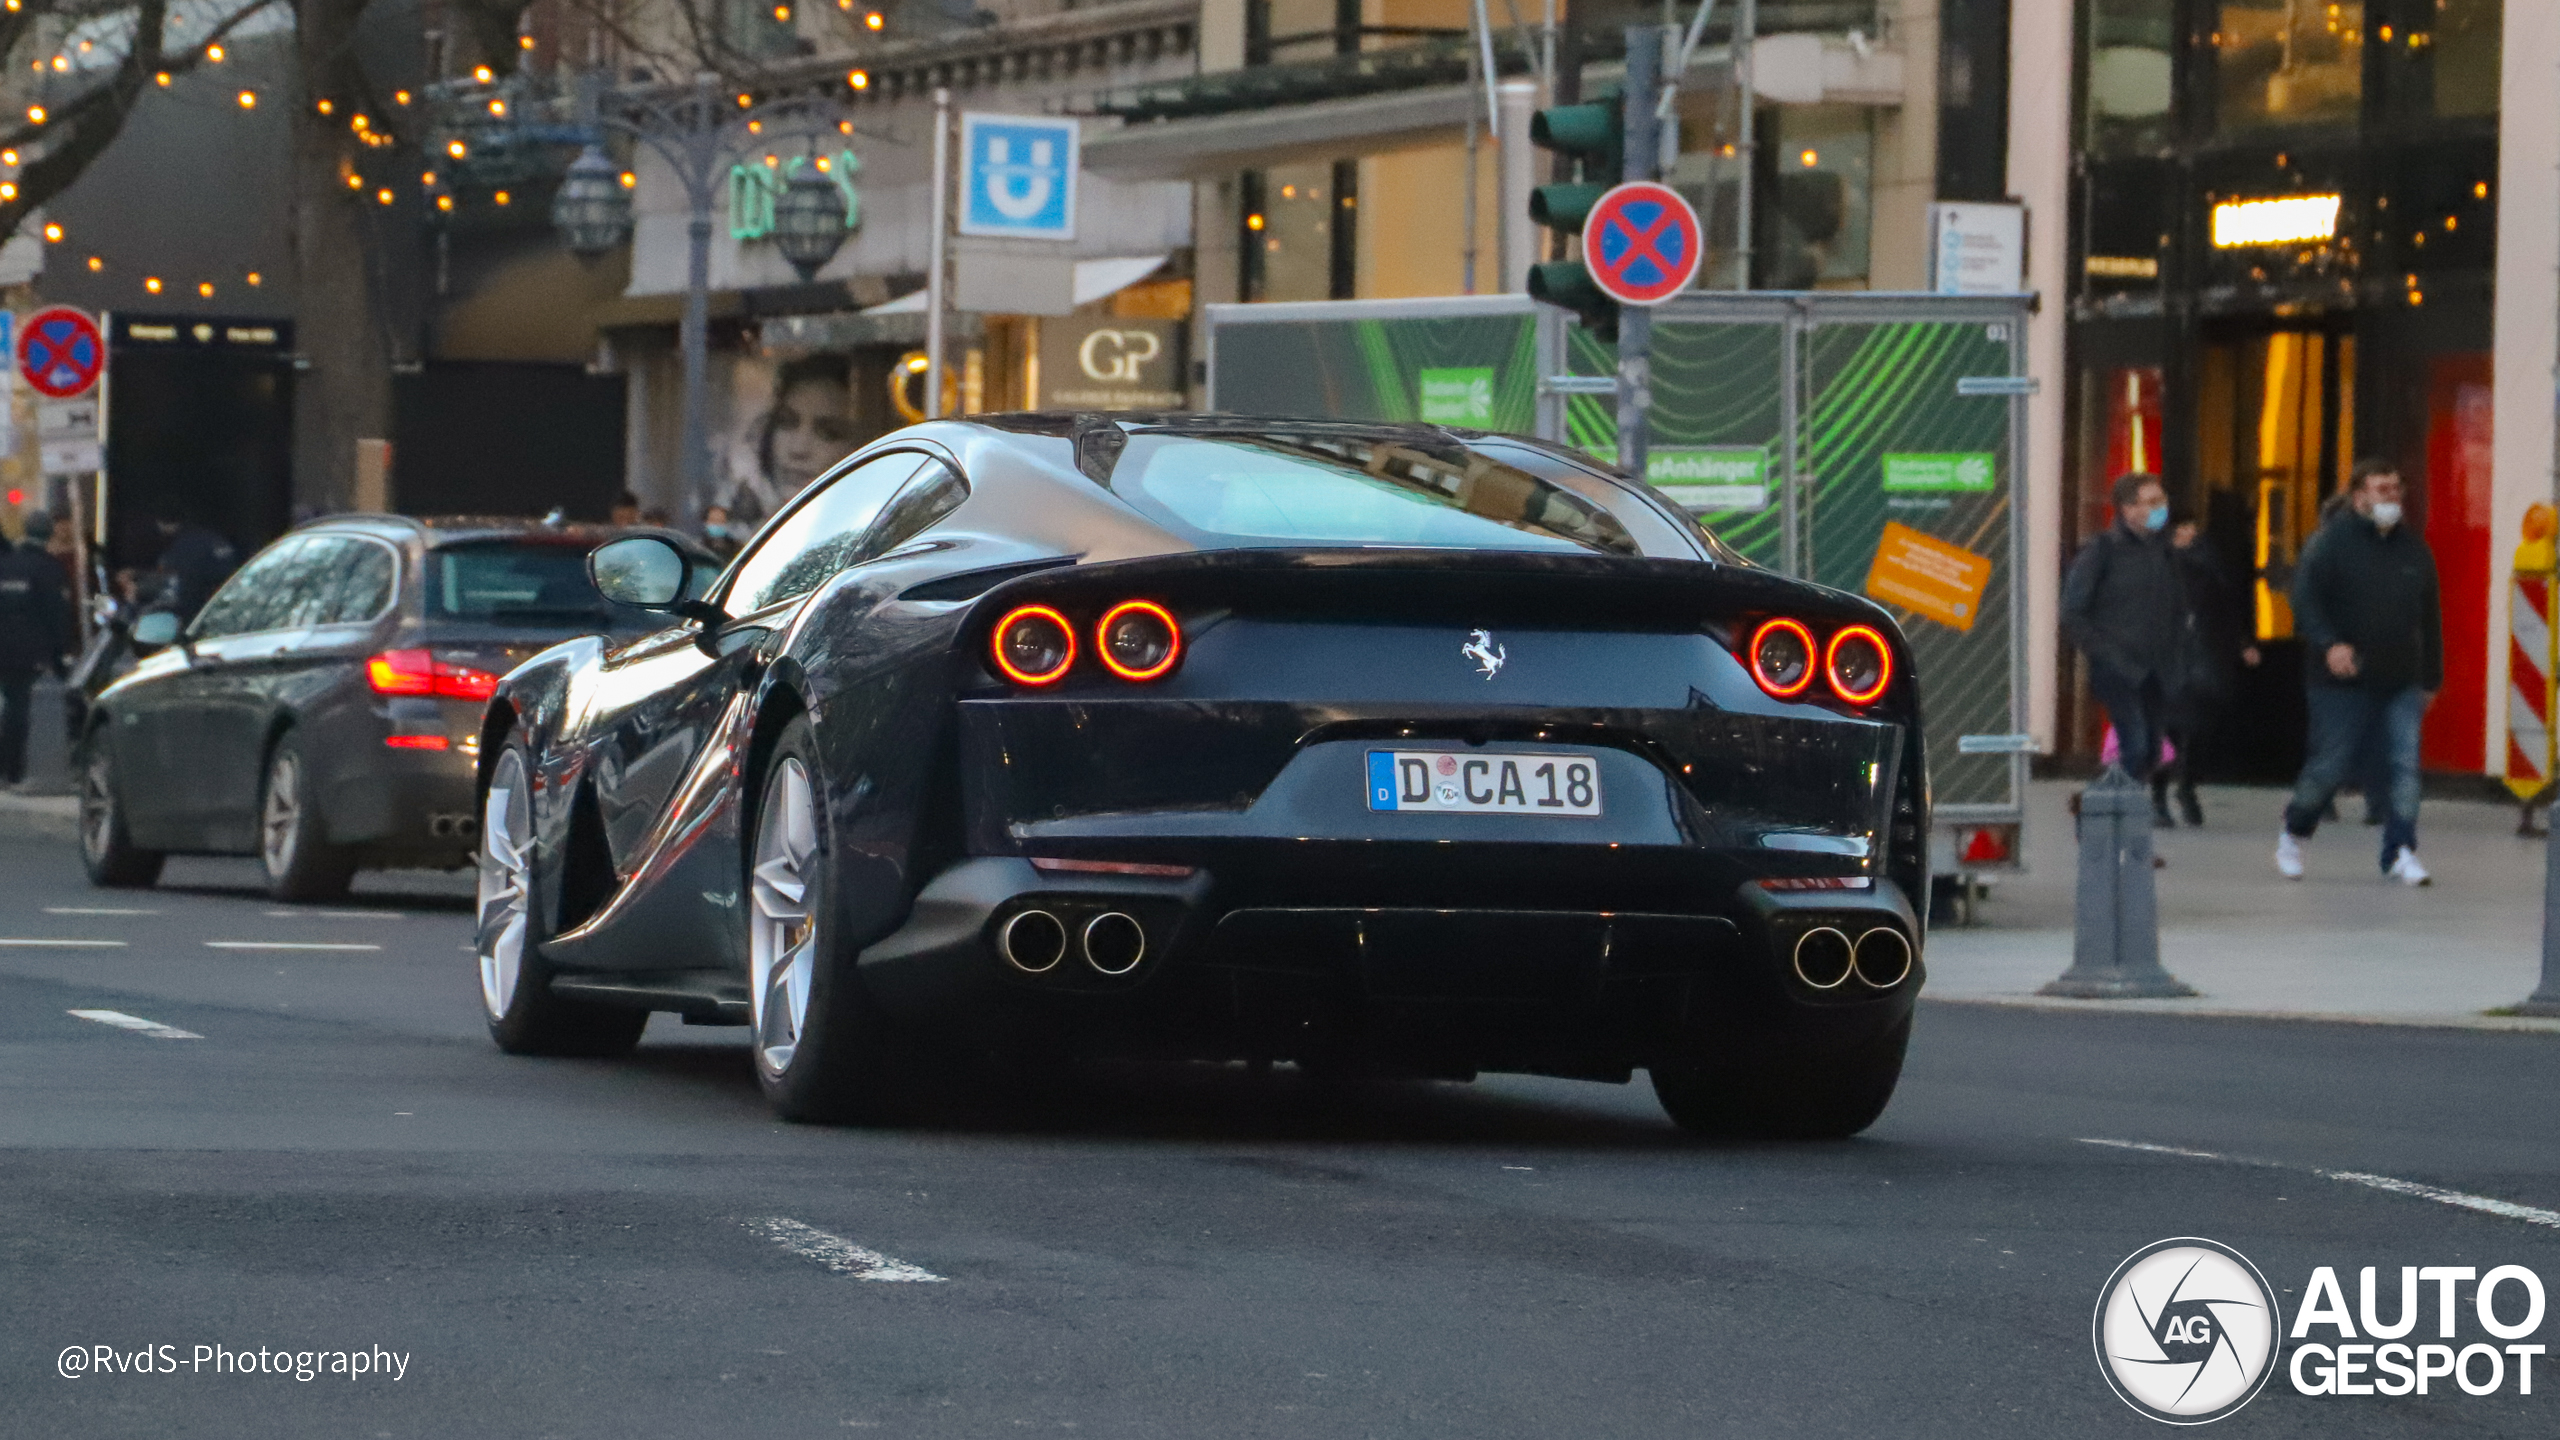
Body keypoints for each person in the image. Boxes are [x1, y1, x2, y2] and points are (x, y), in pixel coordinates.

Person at [2276, 458, 2444, 886]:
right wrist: (2329, 643)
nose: (2392, 498)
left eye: (2396, 489)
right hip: (2340, 680)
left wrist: (2431, 677)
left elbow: (2429, 618)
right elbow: (2304, 600)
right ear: (2359, 497)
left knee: (2404, 764)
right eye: (2381, 489)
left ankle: (2401, 849)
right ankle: (2295, 831)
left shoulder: (2414, 550)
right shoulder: (2330, 544)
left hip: (2399, 676)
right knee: (2330, 763)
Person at [2063, 472, 2191, 788]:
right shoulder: (2103, 550)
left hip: (2157, 669)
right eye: (2151, 502)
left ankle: (2117, 809)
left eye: (2161, 501)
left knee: (2150, 753)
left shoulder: (2165, 553)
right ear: (2127, 509)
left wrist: (2179, 655)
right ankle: (2102, 807)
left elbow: (2177, 608)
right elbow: (2072, 612)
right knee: (2135, 746)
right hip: (2119, 668)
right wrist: (2106, 655)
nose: (2160, 509)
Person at [2149, 516, 2261, 827]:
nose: (2187, 535)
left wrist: (2243, 642)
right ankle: (2160, 794)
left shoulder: (2209, 569)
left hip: (2202, 659)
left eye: (2192, 530)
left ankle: (2185, 786)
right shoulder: (2157, 565)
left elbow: (2228, 608)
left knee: (2195, 730)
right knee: (2168, 730)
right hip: (2168, 659)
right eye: (2181, 529)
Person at [0, 510, 74, 789]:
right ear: (50, 534)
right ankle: (15, 768)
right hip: (31, 651)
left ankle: (7, 766)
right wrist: (61, 654)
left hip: (4, 647)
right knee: (21, 707)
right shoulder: (48, 568)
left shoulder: (7, 564)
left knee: (10, 704)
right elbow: (57, 614)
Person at [148, 512, 238, 622]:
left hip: (196, 605)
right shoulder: (212, 538)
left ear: (161, 524)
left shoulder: (184, 544)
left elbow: (169, 573)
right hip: (226, 598)